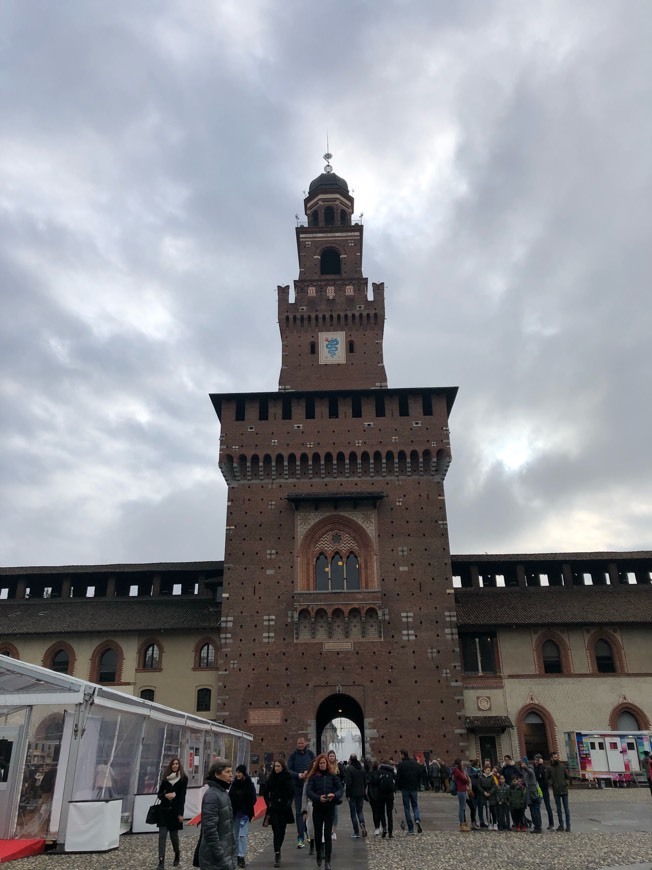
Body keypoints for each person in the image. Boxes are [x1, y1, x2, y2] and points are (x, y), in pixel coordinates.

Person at [306, 753, 343, 870]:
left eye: (324, 763)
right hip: (318, 808)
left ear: (327, 764)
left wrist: (335, 795)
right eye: (320, 763)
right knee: (317, 834)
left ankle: (328, 860)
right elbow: (309, 791)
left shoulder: (332, 775)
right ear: (318, 764)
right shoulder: (313, 777)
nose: (322, 765)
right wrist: (318, 798)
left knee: (327, 834)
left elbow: (340, 789)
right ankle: (318, 852)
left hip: (329, 808)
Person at [198, 758, 236, 870]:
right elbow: (210, 830)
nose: (231, 775)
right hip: (214, 859)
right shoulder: (212, 796)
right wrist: (220, 854)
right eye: (227, 772)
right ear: (217, 774)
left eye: (231, 771)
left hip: (224, 854)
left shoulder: (222, 793)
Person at [156, 757, 188, 869]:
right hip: (164, 810)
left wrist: (181, 814)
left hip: (175, 812)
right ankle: (161, 861)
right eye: (173, 764)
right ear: (170, 766)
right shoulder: (165, 778)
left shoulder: (183, 779)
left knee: (174, 836)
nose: (175, 766)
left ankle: (177, 853)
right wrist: (166, 795)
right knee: (162, 836)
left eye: (177, 764)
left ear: (179, 766)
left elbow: (182, 797)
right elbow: (159, 794)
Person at [265, 759, 294, 868]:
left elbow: (291, 792)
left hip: (284, 807)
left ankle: (279, 848)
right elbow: (265, 792)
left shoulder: (287, 777)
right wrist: (268, 803)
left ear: (282, 767)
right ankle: (277, 853)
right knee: (276, 830)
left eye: (278, 766)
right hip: (274, 807)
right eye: (275, 766)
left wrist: (289, 803)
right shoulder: (271, 777)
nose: (276, 768)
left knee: (282, 830)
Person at [287, 736, 315, 848]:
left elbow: (315, 766)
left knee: (309, 812)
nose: (300, 745)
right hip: (297, 787)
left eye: (301, 743)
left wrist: (307, 773)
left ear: (305, 743)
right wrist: (298, 775)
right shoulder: (293, 756)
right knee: (299, 812)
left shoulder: (311, 754)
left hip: (309, 787)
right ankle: (300, 837)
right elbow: (289, 769)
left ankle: (308, 833)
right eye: (298, 743)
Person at [229, 764, 256, 868]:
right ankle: (235, 854)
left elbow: (253, 798)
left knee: (242, 835)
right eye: (237, 772)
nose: (238, 774)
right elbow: (230, 796)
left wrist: (247, 808)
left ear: (243, 773)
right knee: (234, 834)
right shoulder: (234, 784)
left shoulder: (249, 784)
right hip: (235, 813)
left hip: (244, 813)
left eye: (239, 772)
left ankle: (241, 855)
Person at [395, 750, 423, 834]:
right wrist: (417, 784)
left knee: (407, 808)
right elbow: (420, 774)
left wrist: (397, 787)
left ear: (403, 755)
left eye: (400, 754)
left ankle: (411, 829)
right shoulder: (415, 764)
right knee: (415, 805)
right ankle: (417, 819)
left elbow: (398, 777)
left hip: (405, 789)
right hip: (414, 788)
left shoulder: (401, 765)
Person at [546, 751, 571, 832]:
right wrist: (552, 784)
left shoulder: (562, 766)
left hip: (564, 790)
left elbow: (567, 776)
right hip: (556, 791)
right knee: (559, 809)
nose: (556, 758)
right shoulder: (549, 768)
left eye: (557, 757)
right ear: (551, 758)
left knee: (566, 809)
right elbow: (547, 778)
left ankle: (568, 825)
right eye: (554, 757)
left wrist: (566, 783)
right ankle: (561, 825)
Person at [344, 753, 367, 838]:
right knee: (360, 811)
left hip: (353, 794)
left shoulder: (349, 769)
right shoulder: (362, 769)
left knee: (353, 813)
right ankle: (362, 824)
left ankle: (356, 832)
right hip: (361, 793)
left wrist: (347, 794)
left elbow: (348, 783)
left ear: (350, 759)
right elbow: (365, 782)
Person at [518, 757, 542, 833]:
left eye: (522, 762)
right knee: (532, 810)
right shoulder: (524, 772)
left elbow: (530, 773)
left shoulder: (530, 769)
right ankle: (537, 826)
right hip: (529, 793)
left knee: (535, 810)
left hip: (533, 793)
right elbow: (524, 781)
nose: (521, 764)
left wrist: (525, 768)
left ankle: (538, 827)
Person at [375, 759, 396, 838]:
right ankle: (390, 832)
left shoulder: (379, 771)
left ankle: (384, 828)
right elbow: (395, 781)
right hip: (390, 795)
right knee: (389, 813)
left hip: (381, 795)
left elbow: (376, 782)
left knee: (381, 812)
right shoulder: (392, 771)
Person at [534, 754, 555, 830]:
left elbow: (542, 776)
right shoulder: (534, 768)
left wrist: (541, 765)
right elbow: (535, 776)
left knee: (548, 806)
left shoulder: (543, 767)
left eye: (537, 759)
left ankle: (551, 823)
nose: (536, 761)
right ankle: (538, 824)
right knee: (537, 807)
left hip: (544, 788)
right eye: (535, 759)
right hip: (537, 789)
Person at [452, 758, 470, 832]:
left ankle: (463, 823)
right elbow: (465, 779)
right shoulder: (457, 771)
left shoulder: (458, 770)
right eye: (462, 763)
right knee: (462, 808)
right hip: (461, 790)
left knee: (463, 807)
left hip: (462, 789)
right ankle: (461, 824)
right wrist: (465, 776)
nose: (463, 764)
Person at [326, 750, 341, 839]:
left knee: (335, 813)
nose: (332, 757)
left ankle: (333, 831)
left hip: (335, 794)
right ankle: (327, 830)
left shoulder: (339, 767)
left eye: (333, 756)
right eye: (330, 756)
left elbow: (342, 777)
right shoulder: (325, 767)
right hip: (326, 792)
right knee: (327, 813)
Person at [477, 762, 496, 829]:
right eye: (487, 770)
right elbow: (479, 786)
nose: (488, 771)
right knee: (486, 809)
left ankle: (494, 823)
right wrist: (484, 792)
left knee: (492, 809)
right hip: (484, 795)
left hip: (491, 795)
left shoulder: (492, 777)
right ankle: (489, 822)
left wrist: (490, 793)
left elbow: (494, 786)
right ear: (484, 770)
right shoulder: (481, 777)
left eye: (489, 770)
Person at [366, 760, 383, 835]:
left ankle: (376, 827)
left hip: (372, 795)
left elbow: (367, 784)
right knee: (380, 811)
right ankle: (381, 826)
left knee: (374, 812)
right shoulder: (381, 773)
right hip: (380, 794)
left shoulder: (369, 774)